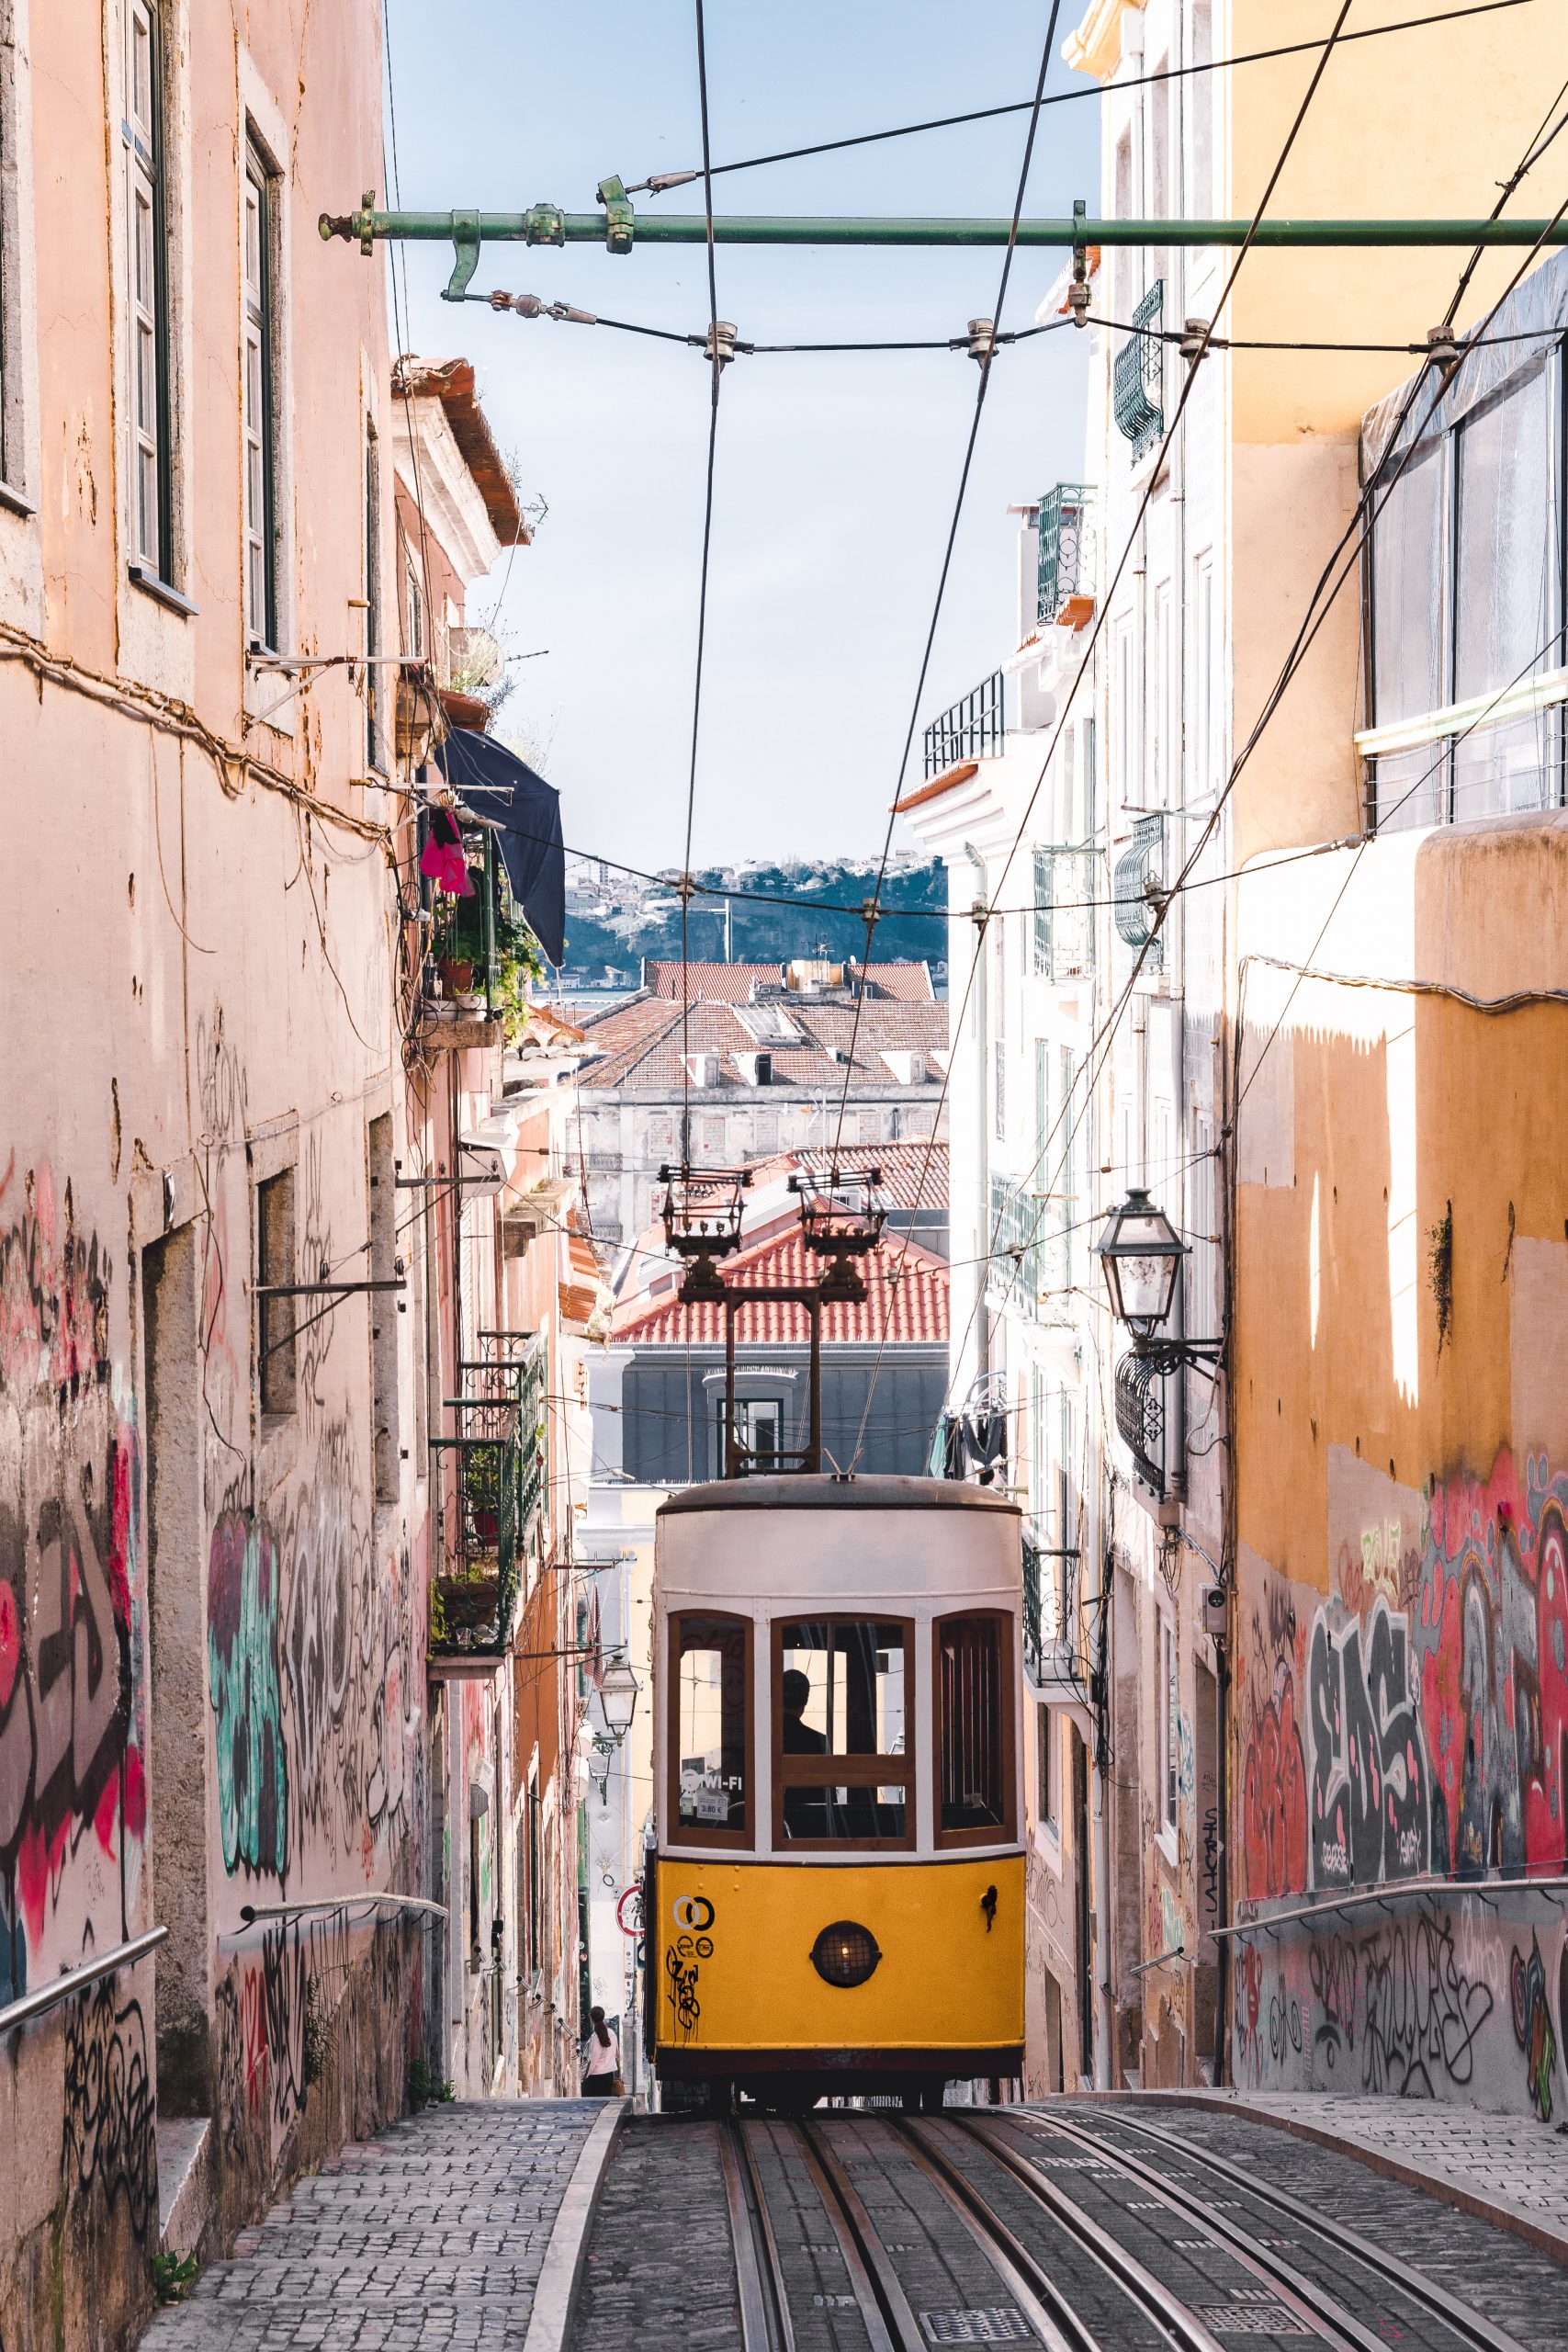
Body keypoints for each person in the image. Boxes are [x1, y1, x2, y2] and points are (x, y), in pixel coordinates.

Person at [781, 1667, 829, 1838]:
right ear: (805, 1701)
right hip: (810, 1831)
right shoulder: (820, 1741)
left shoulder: (762, 1738)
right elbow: (828, 1799)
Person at [581, 2006, 620, 2096]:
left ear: (591, 2019)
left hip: (595, 2077)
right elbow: (616, 2054)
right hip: (608, 2076)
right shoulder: (612, 2034)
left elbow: (593, 2061)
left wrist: (583, 2076)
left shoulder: (596, 2037)